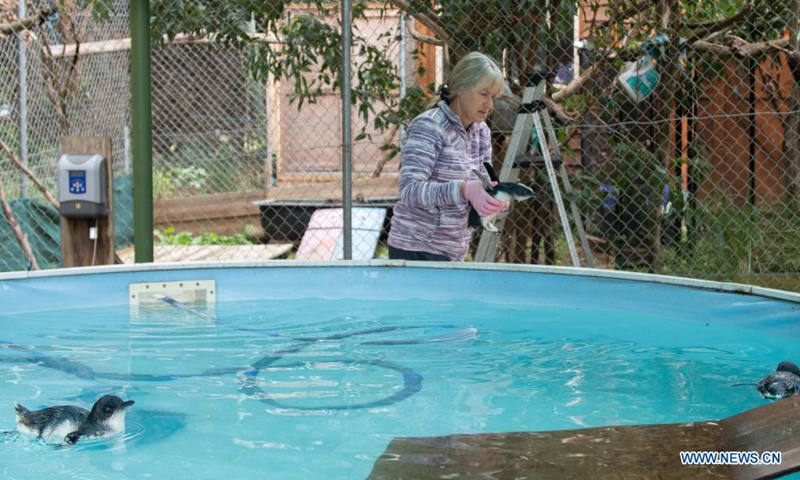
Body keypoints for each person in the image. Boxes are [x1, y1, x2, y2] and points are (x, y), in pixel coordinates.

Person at [387, 51, 505, 262]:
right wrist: (463, 189)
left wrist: (492, 198)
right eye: (483, 94)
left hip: (453, 250)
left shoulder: (481, 132)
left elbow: (478, 187)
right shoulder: (428, 126)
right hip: (415, 247)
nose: (490, 105)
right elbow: (409, 190)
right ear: (460, 89)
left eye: (493, 97)